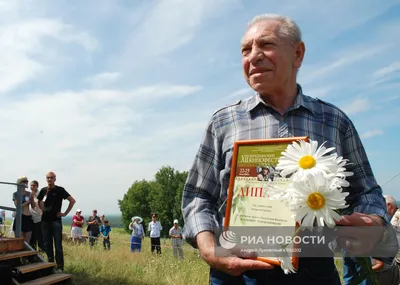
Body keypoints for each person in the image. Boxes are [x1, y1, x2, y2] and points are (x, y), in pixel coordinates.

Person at [181, 14, 390, 284]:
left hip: (315, 270)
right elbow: (198, 196)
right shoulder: (223, 122)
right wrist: (209, 249)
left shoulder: (334, 121)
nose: (254, 56)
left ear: (298, 54)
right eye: (246, 49)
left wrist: (372, 219)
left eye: (265, 44)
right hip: (236, 270)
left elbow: (368, 191)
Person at [37, 171, 75, 273]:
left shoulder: (60, 190)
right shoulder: (43, 190)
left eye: (51, 178)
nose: (49, 179)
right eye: (48, 178)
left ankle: (60, 268)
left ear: (55, 179)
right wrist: (41, 210)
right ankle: (50, 266)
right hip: (45, 221)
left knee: (58, 244)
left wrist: (65, 213)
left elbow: (72, 201)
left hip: (56, 221)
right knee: (47, 244)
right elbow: (39, 201)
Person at [12, 176, 34, 243]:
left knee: (27, 241)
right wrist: (28, 201)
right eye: (24, 181)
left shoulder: (29, 193)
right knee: (19, 241)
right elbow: (17, 206)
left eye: (27, 181)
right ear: (19, 183)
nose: (26, 183)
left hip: (28, 217)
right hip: (20, 217)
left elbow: (33, 206)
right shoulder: (15, 194)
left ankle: (27, 253)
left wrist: (32, 200)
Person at [29, 180, 44, 251]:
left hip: (38, 218)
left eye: (33, 185)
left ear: (37, 186)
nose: (32, 187)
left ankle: (42, 252)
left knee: (40, 237)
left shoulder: (40, 195)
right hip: (31, 218)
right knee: (32, 238)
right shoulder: (29, 194)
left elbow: (43, 205)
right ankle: (33, 254)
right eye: (31, 185)